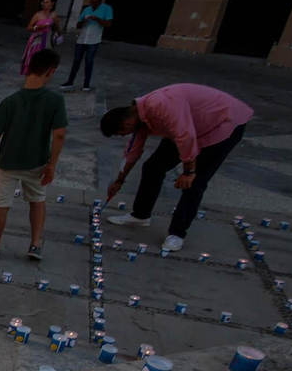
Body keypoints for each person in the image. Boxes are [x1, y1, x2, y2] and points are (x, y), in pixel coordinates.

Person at [101, 83, 252, 251]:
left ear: (127, 123)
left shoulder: (161, 105)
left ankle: (177, 234)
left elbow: (185, 137)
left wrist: (188, 171)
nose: (123, 136)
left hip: (223, 124)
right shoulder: (140, 116)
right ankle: (140, 215)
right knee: (153, 167)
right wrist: (119, 181)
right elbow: (133, 151)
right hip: (187, 128)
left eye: (120, 133)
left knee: (195, 182)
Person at [0, 48, 67, 262]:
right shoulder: (55, 101)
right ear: (51, 72)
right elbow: (59, 134)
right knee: (37, 201)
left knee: (2, 204)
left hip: (8, 162)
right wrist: (52, 164)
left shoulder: (10, 101)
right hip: (37, 162)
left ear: (28, 69)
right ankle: (35, 245)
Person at [61, 0, 113, 92]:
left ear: (100, 1)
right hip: (81, 39)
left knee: (89, 61)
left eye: (95, 2)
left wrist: (97, 19)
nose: (93, 4)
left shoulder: (106, 9)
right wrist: (84, 21)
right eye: (92, 2)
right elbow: (77, 25)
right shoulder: (87, 9)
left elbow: (108, 24)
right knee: (76, 61)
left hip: (94, 40)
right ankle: (70, 81)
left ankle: (86, 84)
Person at [21, 0, 58, 75]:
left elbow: (57, 27)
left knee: (45, 58)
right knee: (34, 57)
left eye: (47, 2)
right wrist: (37, 27)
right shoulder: (38, 14)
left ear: (52, 3)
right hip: (38, 38)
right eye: (43, 2)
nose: (45, 4)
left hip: (48, 38)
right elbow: (29, 27)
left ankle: (41, 74)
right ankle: (31, 73)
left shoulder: (54, 15)